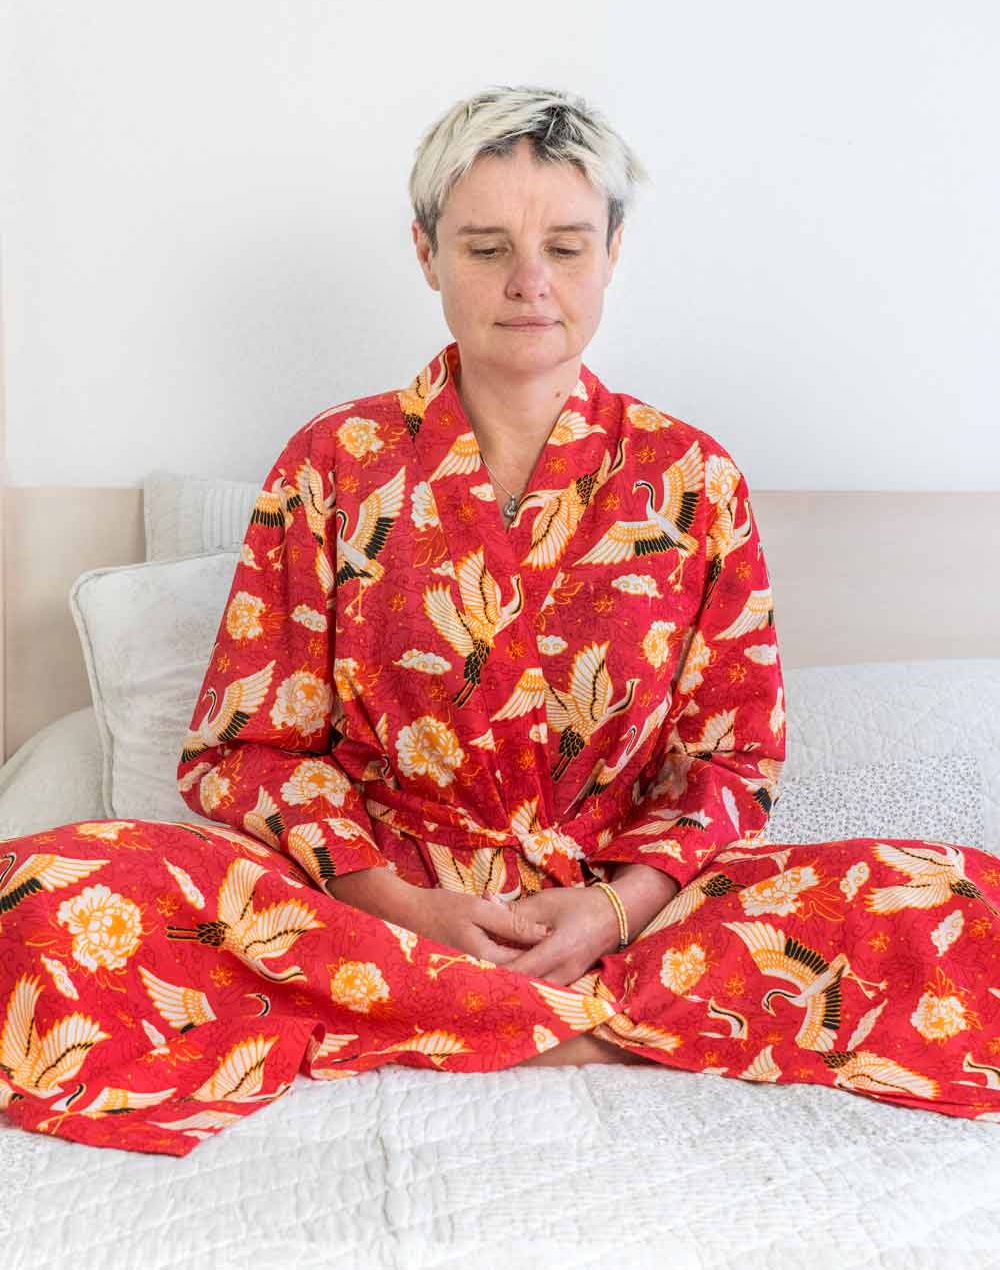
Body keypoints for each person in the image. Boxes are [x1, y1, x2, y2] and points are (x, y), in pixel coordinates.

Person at [3, 87, 999, 1157]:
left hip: (628, 923)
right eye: (486, 247)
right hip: (372, 922)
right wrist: (405, 908)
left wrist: (610, 913)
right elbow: (249, 747)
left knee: (955, 908)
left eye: (565, 245)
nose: (530, 282)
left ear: (612, 251)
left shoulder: (694, 479)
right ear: (427, 252)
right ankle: (560, 1027)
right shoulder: (330, 468)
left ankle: (487, 1017)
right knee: (49, 893)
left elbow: (735, 757)